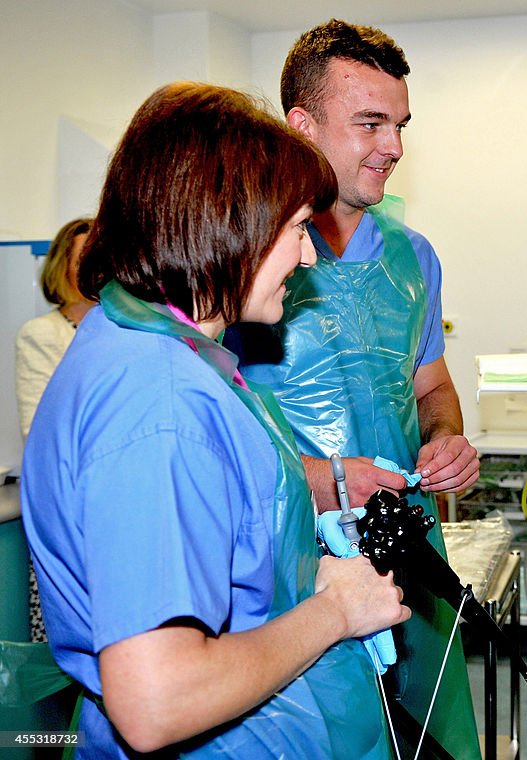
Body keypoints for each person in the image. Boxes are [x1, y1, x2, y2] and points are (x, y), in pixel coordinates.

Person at [20, 82, 409, 759]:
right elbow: (156, 700)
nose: (308, 256)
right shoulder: (158, 400)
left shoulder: (156, 346)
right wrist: (335, 611)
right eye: (294, 231)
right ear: (230, 227)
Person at [229, 20, 480, 758]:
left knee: (428, 735)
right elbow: (213, 442)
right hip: (300, 565)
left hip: (407, 546)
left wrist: (444, 441)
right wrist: (325, 482)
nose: (394, 147)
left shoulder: (412, 257)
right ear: (300, 127)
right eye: (369, 123)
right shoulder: (244, 260)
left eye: (399, 125)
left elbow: (430, 385)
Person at [15, 216, 94, 441]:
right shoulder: (41, 334)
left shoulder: (127, 332)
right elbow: (36, 430)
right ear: (62, 269)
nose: (97, 272)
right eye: (83, 262)